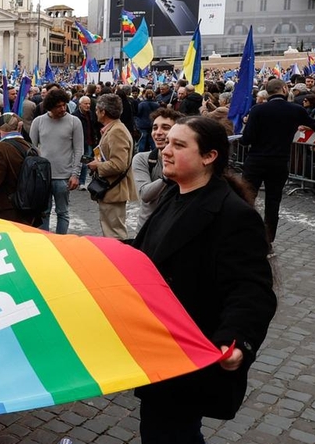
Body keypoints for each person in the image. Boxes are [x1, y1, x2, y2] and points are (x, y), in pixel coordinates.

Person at [131, 116, 277, 443]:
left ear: (208, 156)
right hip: (159, 346)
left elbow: (252, 290)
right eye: (167, 142)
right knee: (157, 428)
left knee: (171, 433)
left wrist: (235, 339)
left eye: (178, 145)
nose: (166, 150)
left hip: (191, 354)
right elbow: (144, 252)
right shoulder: (173, 194)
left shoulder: (233, 215)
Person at [240, 78, 315, 244]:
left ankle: (243, 236)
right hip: (279, 162)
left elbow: (246, 139)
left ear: (267, 91)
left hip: (256, 160)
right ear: (284, 89)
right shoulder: (295, 110)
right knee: (273, 202)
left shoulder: (257, 110)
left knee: (247, 199)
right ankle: (268, 240)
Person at [29, 89, 82, 234]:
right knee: (43, 213)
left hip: (63, 177)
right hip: (43, 177)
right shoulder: (38, 122)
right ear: (50, 106)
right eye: (58, 106)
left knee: (62, 212)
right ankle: (46, 243)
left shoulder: (74, 122)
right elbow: (31, 149)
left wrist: (75, 174)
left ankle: (61, 242)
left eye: (64, 105)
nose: (63, 109)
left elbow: (78, 150)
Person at [87, 94, 137, 239]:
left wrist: (98, 165)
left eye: (96, 110)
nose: (95, 113)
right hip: (111, 190)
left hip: (115, 189)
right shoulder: (113, 129)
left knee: (114, 233)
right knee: (110, 229)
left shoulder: (117, 131)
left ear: (103, 112)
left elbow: (119, 164)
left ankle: (118, 260)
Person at [132, 108, 180, 226]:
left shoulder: (185, 162)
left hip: (173, 228)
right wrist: (166, 176)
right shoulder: (142, 159)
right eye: (155, 128)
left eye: (165, 127)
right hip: (146, 229)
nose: (158, 132)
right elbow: (145, 194)